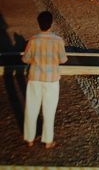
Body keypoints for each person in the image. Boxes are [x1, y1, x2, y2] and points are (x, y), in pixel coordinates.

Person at [22, 11, 68, 149]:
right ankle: (48, 141)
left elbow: (25, 59)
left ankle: (29, 138)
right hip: (51, 79)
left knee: (31, 108)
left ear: (39, 23)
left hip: (35, 78)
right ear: (51, 23)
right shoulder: (58, 40)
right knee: (49, 110)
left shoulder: (33, 39)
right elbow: (63, 59)